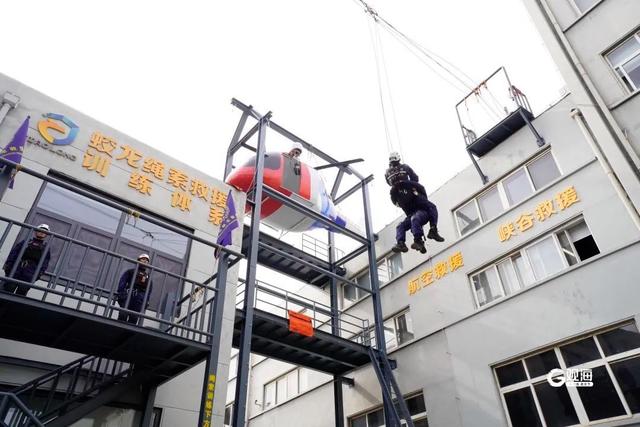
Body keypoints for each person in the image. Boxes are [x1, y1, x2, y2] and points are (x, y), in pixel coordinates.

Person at [388, 173, 444, 254]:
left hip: (423, 212)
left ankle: (418, 240)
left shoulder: (417, 194)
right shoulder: (397, 194)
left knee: (415, 218)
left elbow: (432, 207)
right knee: (400, 226)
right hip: (412, 215)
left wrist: (433, 226)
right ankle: (401, 243)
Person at [2, 224, 51, 296]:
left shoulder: (45, 248)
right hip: (16, 269)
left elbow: (45, 263)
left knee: (21, 293)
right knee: (8, 289)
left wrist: (38, 274)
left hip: (29, 273)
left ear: (46, 234)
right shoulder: (26, 242)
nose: (41, 232)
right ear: (36, 231)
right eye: (40, 230)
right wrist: (8, 266)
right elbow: (13, 254)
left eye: (44, 231)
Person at [116, 253, 153, 324]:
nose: (145, 261)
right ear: (138, 260)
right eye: (143, 259)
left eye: (147, 260)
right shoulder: (131, 271)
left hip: (139, 299)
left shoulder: (148, 277)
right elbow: (122, 282)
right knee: (123, 315)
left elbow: (149, 291)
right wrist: (121, 293)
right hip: (128, 295)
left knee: (134, 318)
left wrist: (146, 301)